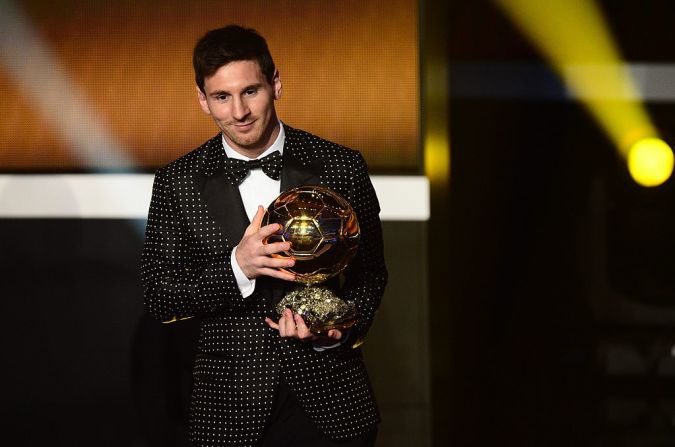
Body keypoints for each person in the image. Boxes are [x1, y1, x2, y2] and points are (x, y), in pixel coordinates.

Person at [140, 25, 387, 447]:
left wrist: (338, 330)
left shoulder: (340, 165)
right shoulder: (177, 181)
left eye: (250, 91)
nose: (239, 111)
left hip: (332, 402)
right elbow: (159, 294)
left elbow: (371, 275)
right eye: (222, 97)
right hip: (228, 409)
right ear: (203, 100)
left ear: (276, 84)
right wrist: (239, 267)